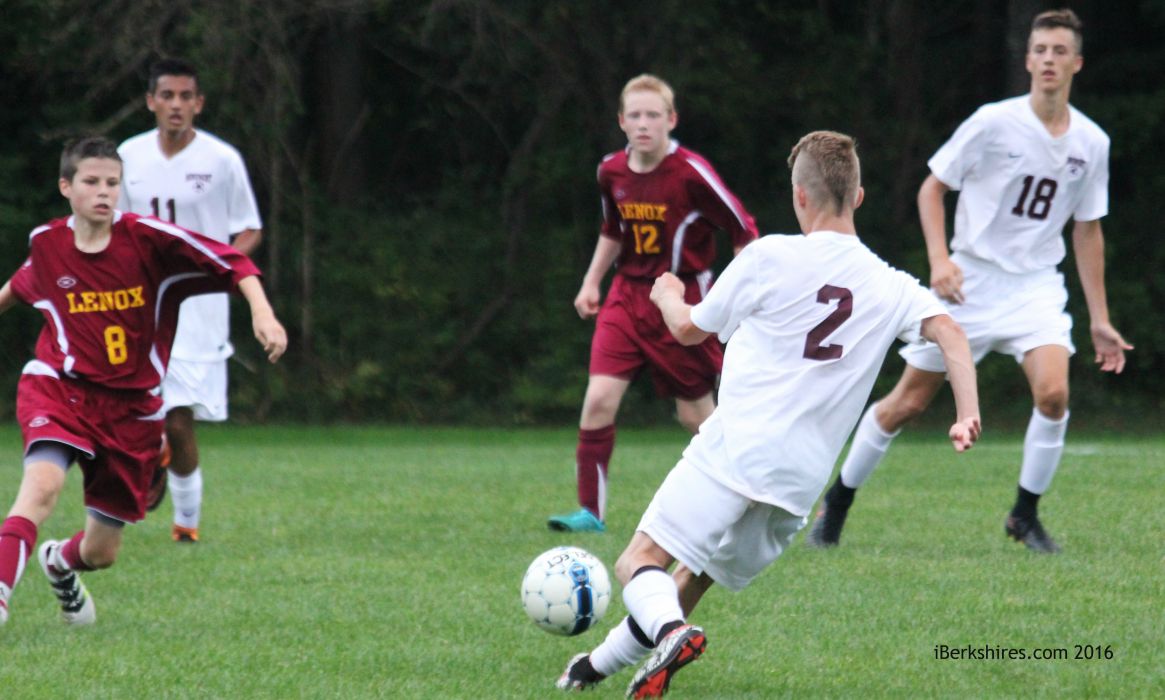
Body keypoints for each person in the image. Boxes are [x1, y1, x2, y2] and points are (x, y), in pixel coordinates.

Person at [556, 131, 980, 697]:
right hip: (799, 481)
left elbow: (687, 329)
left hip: (739, 448)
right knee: (692, 575)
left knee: (638, 562)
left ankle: (673, 633)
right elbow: (952, 334)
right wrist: (965, 412)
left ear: (799, 196)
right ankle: (594, 668)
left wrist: (666, 294)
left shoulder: (768, 256)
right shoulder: (892, 284)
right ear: (858, 197)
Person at [807, 9, 1131, 555]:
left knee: (1054, 395)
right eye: (1040, 50)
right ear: (1027, 60)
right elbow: (932, 189)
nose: (1049, 60)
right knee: (907, 403)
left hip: (1035, 286)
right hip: (970, 282)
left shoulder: (1092, 142)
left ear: (1076, 63)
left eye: (1059, 51)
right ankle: (837, 502)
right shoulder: (993, 122)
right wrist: (940, 261)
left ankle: (1024, 516)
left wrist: (1099, 318)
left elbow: (1087, 229)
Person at [0, 136, 286, 626]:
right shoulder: (48, 244)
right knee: (41, 488)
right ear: (66, 187)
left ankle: (58, 563)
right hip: (60, 389)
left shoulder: (149, 240)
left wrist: (263, 312)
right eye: (92, 181)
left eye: (113, 182)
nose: (104, 191)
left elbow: (234, 262)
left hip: (132, 411)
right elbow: (16, 288)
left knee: (101, 552)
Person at [547, 74, 759, 533]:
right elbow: (612, 230)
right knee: (599, 399)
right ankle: (591, 513)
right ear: (621, 121)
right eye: (635, 115)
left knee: (695, 415)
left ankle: (750, 494)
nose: (644, 124)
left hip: (679, 298)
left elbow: (743, 229)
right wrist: (591, 282)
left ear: (671, 120)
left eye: (653, 115)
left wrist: (739, 296)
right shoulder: (610, 171)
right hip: (627, 296)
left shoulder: (691, 173)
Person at [118, 58, 264, 543]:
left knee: (180, 421)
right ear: (151, 102)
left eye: (186, 96)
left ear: (198, 104)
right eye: (167, 96)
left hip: (199, 310)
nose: (176, 105)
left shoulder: (221, 160)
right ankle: (151, 457)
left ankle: (186, 522)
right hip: (140, 305)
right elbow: (113, 227)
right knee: (143, 410)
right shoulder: (129, 156)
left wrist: (218, 267)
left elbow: (249, 228)